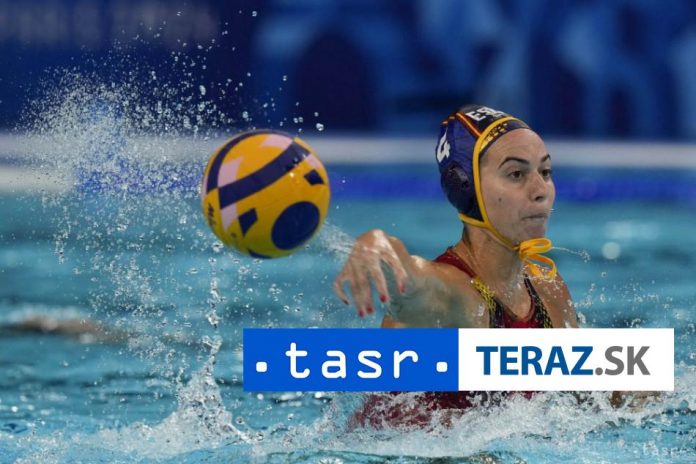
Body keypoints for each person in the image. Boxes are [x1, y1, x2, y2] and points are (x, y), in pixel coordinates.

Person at [332, 104, 649, 429]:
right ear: (466, 188)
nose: (541, 191)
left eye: (545, 172)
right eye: (516, 174)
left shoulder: (547, 291)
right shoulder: (450, 296)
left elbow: (586, 398)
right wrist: (377, 245)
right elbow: (410, 282)